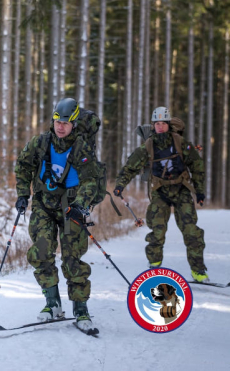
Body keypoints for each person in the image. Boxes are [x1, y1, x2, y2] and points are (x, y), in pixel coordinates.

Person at [15, 98, 99, 332]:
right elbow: (23, 165)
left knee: (72, 258)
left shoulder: (82, 147)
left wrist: (81, 204)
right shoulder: (40, 142)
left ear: (74, 123)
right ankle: (52, 304)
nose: (60, 126)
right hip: (43, 204)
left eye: (65, 122)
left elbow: (91, 180)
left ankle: (81, 309)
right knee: (41, 251)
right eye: (57, 121)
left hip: (72, 208)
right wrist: (23, 194)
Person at [114, 107, 208, 282]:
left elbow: (197, 165)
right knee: (157, 232)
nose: (160, 127)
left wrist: (200, 191)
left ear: (168, 124)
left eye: (163, 123)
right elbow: (130, 167)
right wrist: (120, 185)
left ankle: (199, 271)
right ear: (153, 125)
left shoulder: (180, 142)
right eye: (157, 124)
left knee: (191, 232)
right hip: (160, 193)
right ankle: (154, 267)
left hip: (181, 191)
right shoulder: (147, 146)